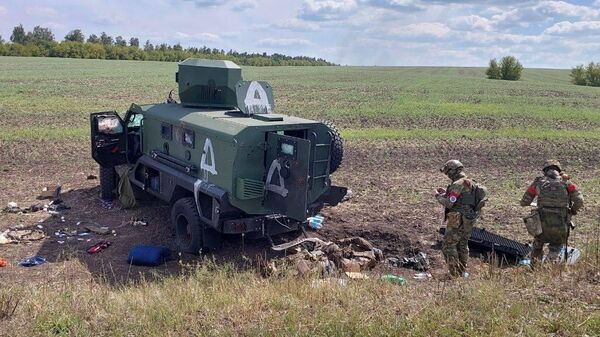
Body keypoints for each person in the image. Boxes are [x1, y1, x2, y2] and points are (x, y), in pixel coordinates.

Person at [520, 160, 584, 266]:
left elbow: (524, 201)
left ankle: (535, 270)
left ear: (545, 171)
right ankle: (551, 270)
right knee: (556, 246)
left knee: (537, 246)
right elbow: (580, 200)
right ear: (559, 170)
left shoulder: (538, 182)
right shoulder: (567, 183)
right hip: (561, 223)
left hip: (542, 224)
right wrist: (572, 210)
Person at [435, 160, 487, 277]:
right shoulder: (471, 182)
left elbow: (449, 203)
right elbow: (462, 198)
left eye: (447, 172)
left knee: (448, 246)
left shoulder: (458, 184)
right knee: (462, 245)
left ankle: (454, 273)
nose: (447, 175)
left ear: (452, 171)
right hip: (469, 218)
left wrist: (438, 196)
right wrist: (447, 193)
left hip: (458, 220)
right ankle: (462, 271)